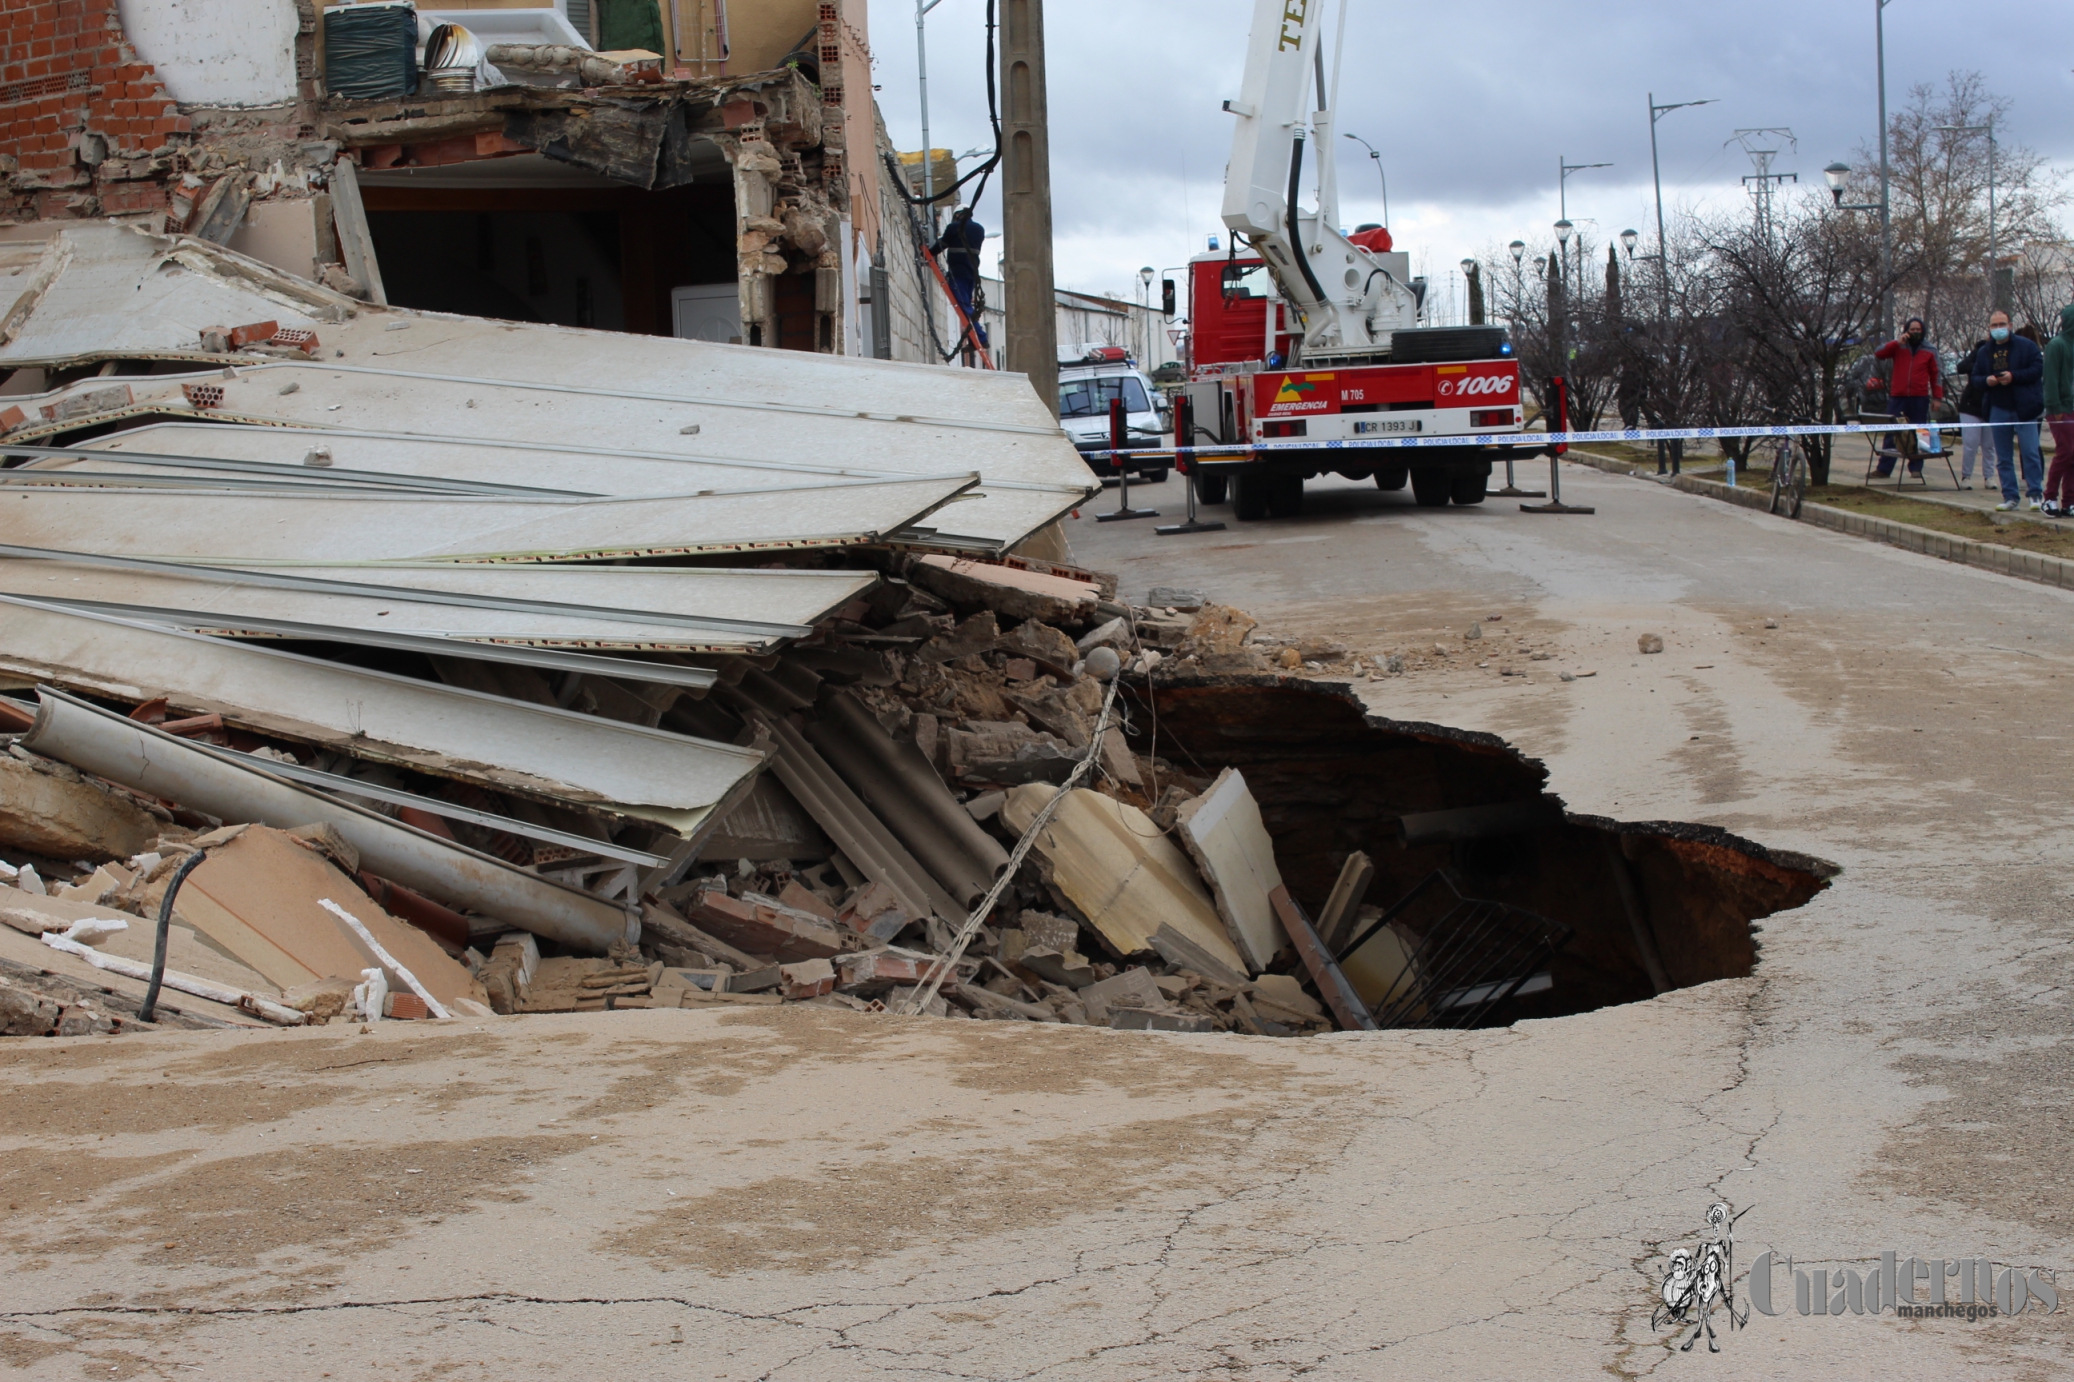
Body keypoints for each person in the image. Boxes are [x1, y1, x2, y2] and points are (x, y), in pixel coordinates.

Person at [1969, 309, 2046, 512]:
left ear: (2010, 325)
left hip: (2024, 409)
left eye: (2001, 324)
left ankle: (2035, 494)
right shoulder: (1985, 351)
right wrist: (1988, 381)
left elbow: (2037, 369)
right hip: (1998, 408)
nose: (1998, 329)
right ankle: (2010, 496)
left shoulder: (2026, 346)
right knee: (2003, 457)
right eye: (1994, 325)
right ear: (1989, 328)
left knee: (2030, 452)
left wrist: (2014, 377)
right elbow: (1975, 377)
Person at [1871, 317, 1943, 477]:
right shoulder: (1898, 346)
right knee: (1892, 432)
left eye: (1918, 330)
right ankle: (1884, 468)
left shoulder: (1930, 349)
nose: (1915, 333)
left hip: (1919, 397)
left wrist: (1937, 397)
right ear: (1906, 331)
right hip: (1898, 396)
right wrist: (1897, 342)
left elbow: (1936, 375)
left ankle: (1916, 468)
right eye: (1912, 330)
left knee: (1920, 432)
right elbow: (1879, 353)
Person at [929, 207, 987, 346]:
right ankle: (975, 338)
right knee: (965, 305)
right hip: (972, 274)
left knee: (963, 306)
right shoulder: (979, 230)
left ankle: (981, 337)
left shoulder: (954, 228)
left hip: (958, 273)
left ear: (958, 215)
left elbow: (940, 246)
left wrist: (926, 252)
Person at [2044, 305, 2074, 515]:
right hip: (2061, 408)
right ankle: (2049, 498)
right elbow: (2051, 379)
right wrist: (2055, 408)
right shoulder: (2057, 345)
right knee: (2066, 452)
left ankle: (2069, 501)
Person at [1955, 333, 1990, 488]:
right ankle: (1966, 477)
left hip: (1991, 405)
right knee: (1971, 443)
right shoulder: (1980, 350)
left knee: (1990, 445)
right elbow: (1961, 367)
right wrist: (1980, 367)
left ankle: (1989, 477)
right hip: (1971, 405)